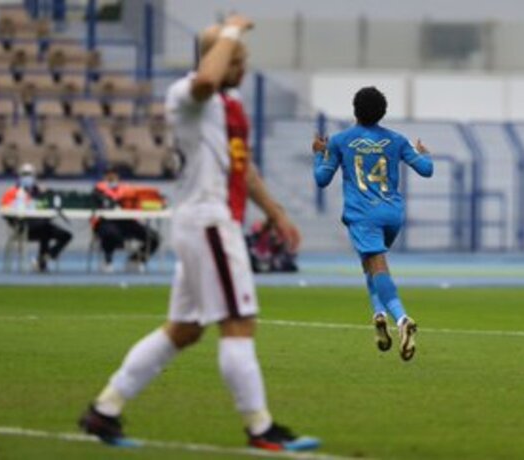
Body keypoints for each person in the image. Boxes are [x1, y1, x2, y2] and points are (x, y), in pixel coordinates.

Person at [79, 15, 320, 452]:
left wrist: (275, 211)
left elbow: (241, 169)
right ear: (217, 57)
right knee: (238, 323)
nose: (242, 68)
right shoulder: (189, 94)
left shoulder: (225, 105)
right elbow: (208, 77)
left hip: (207, 221)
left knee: (184, 330)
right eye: (237, 60)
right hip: (209, 222)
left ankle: (105, 409)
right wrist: (229, 33)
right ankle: (259, 428)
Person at [311, 86, 433, 361]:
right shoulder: (397, 140)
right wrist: (424, 153)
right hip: (392, 215)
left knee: (377, 266)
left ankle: (402, 320)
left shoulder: (340, 141)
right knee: (370, 264)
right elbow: (426, 170)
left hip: (363, 215)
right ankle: (378, 317)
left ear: (355, 110)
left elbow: (321, 179)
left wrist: (319, 153)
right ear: (383, 112)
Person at [0, 163, 72, 272]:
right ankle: (41, 263)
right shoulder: (11, 192)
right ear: (20, 176)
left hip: (41, 224)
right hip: (23, 226)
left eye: (30, 174)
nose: (27, 177)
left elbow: (49, 205)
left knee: (66, 235)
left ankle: (47, 256)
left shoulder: (39, 191)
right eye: (25, 174)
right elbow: (4, 211)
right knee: (45, 229)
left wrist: (47, 194)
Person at [92, 168, 161, 273]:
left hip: (127, 221)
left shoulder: (127, 189)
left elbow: (138, 202)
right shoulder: (98, 189)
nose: (111, 179)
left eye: (114, 176)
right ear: (105, 177)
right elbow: (103, 203)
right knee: (110, 234)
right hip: (107, 221)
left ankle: (135, 260)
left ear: (118, 177)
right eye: (109, 177)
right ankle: (107, 261)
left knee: (153, 238)